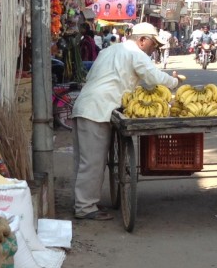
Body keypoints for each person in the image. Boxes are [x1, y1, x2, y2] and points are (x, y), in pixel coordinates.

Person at [70, 23, 180, 221]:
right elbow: (153, 77)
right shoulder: (136, 54)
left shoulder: (109, 51)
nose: (154, 49)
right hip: (98, 109)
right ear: (142, 40)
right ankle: (85, 207)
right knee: (93, 162)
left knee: (83, 161)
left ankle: (82, 202)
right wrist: (174, 82)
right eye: (153, 44)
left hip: (85, 105)